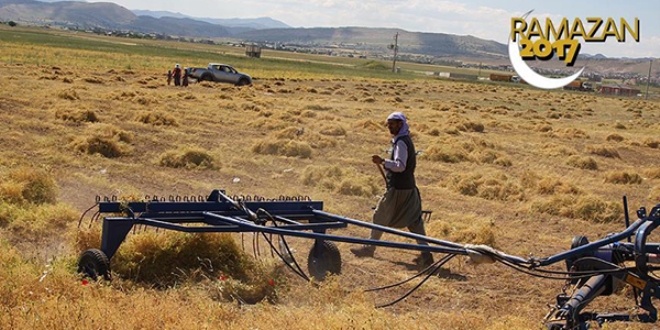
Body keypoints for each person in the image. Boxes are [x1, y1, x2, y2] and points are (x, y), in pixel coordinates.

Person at [350, 112, 434, 269]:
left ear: (401, 124)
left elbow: (400, 166)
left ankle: (369, 248)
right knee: (414, 221)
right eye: (388, 124)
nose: (390, 126)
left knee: (380, 215)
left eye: (393, 124)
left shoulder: (401, 142)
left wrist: (383, 161)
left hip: (398, 189)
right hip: (408, 187)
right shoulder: (404, 140)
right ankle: (427, 255)